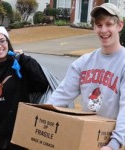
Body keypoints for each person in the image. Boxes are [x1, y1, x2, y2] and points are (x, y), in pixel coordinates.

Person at [46, 3, 125, 150]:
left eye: (109, 24)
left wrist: (114, 144)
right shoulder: (83, 62)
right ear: (94, 28)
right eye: (99, 25)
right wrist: (42, 116)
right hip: (85, 136)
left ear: (120, 25)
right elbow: (62, 94)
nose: (103, 30)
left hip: (111, 140)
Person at [0, 24, 48, 150]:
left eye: (2, 41)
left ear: (7, 42)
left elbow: (42, 85)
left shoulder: (20, 65)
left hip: (19, 139)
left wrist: (26, 60)